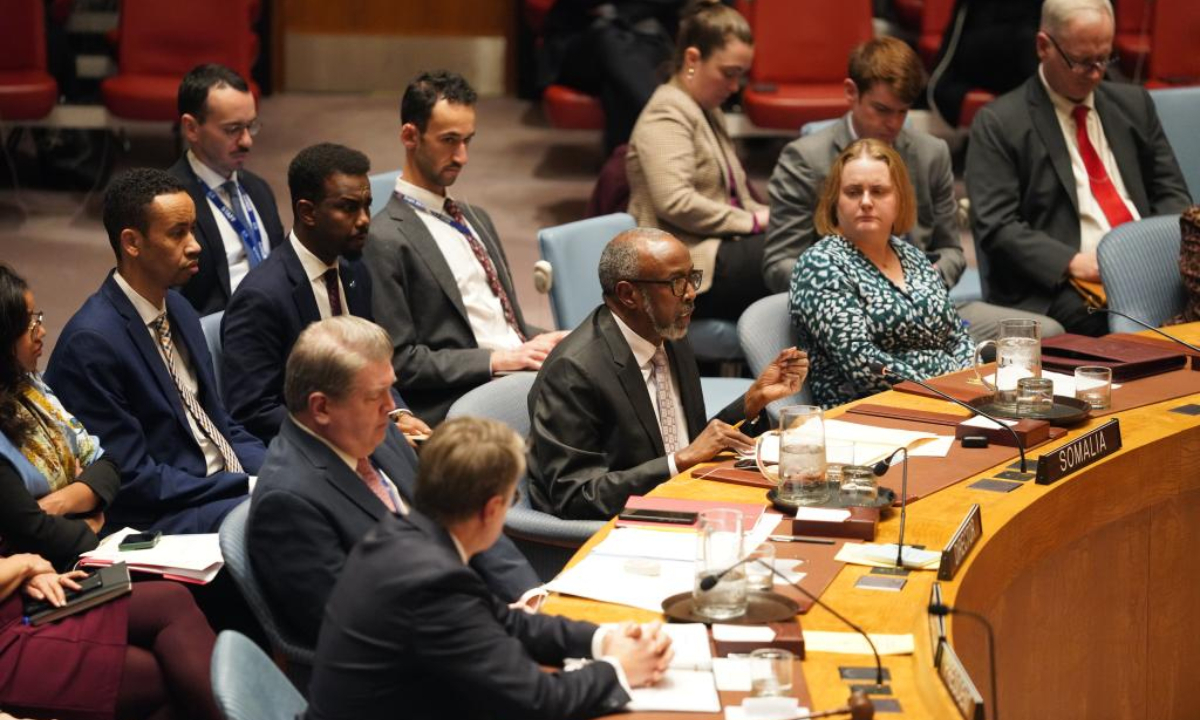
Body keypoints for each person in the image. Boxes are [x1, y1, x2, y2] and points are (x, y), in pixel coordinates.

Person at [304, 417, 673, 720]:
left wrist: (603, 639)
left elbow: (507, 621)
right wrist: (619, 669)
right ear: (492, 508)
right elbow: (539, 700)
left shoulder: (401, 534)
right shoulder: (433, 582)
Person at [248, 317, 540, 652]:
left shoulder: (376, 431)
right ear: (322, 407)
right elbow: (360, 631)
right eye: (376, 395)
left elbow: (461, 518)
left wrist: (528, 597)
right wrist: (490, 632)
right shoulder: (288, 503)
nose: (392, 407)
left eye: (390, 389)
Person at [762, 37, 1062, 342]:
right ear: (852, 92)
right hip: (850, 317)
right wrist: (857, 287)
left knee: (1046, 334)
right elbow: (779, 264)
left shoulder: (931, 153)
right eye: (881, 109)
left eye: (902, 112)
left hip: (926, 308)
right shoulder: (806, 159)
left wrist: (923, 282)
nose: (892, 123)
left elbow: (953, 253)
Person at [527, 228, 807, 520]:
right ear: (628, 294)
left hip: (691, 499)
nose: (690, 293)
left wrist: (751, 402)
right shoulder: (574, 372)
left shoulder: (669, 335)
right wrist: (679, 462)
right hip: (627, 529)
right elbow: (576, 496)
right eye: (676, 282)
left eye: (691, 277)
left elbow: (691, 444)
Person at [45, 169, 265, 534]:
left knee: (314, 490)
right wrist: (247, 486)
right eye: (178, 233)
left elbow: (220, 425)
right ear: (132, 242)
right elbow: (133, 479)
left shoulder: (178, 308)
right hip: (159, 516)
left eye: (193, 229)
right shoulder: (92, 344)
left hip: (215, 487)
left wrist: (278, 470)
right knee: (288, 517)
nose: (195, 245)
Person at [966, 0, 1192, 337]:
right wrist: (1074, 262)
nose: (1097, 73)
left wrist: (1154, 254)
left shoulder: (1133, 105)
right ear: (1044, 46)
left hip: (1148, 269)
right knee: (1124, 325)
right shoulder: (1000, 123)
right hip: (1063, 284)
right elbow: (997, 227)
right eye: (1083, 61)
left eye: (1106, 58)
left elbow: (1172, 193)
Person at [365, 70, 567, 425]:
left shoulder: (477, 217)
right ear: (410, 136)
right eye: (449, 140)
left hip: (516, 371)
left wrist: (551, 340)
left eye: (467, 141)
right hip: (462, 394)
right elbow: (401, 361)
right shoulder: (384, 239)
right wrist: (498, 359)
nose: (462, 156)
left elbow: (505, 326)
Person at [220, 143, 429, 445]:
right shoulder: (261, 299)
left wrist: (396, 413)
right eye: (347, 207)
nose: (364, 220)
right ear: (308, 212)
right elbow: (253, 412)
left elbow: (372, 362)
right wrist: (352, 429)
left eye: (367, 205)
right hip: (311, 453)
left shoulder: (355, 271)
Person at [791, 139, 974, 408]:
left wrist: (972, 382)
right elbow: (862, 362)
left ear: (899, 199)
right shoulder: (821, 263)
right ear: (834, 202)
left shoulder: (912, 256)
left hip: (950, 401)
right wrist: (947, 394)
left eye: (878, 191)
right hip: (870, 412)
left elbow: (957, 337)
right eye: (853, 192)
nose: (866, 202)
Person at [625, 0, 769, 322]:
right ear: (693, 58)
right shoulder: (667, 112)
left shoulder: (705, 108)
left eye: (740, 77)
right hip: (680, 270)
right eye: (728, 74)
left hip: (718, 250)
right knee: (797, 257)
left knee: (800, 245)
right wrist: (754, 222)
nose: (734, 88)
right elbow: (674, 201)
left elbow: (738, 192)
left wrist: (771, 217)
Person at [0, 553, 221, 720]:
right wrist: (24, 564)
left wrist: (25, 574)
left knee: (171, 598)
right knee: (156, 679)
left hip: (17, 600)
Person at [0, 266, 117, 568]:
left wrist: (57, 502)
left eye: (37, 318)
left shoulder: (29, 385)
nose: (42, 331)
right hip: (37, 573)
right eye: (28, 323)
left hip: (73, 551)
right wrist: (88, 527)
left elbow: (105, 465)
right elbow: (31, 532)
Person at [168, 63, 286, 316]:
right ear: (191, 128)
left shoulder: (259, 190)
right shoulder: (168, 201)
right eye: (232, 130)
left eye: (251, 126)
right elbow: (169, 302)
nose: (247, 141)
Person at [535, 0, 686, 153]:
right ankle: (666, 124)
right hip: (583, 43)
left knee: (616, 80)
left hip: (646, 40)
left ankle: (624, 161)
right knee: (610, 41)